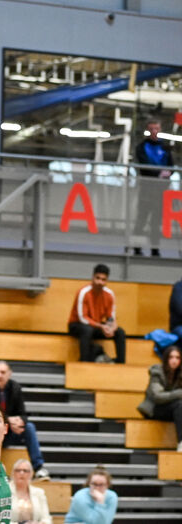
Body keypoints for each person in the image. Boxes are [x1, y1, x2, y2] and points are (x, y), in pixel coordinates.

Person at [0, 360, 50, 480]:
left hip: (10, 432)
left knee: (29, 427)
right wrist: (8, 421)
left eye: (2, 372)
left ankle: (39, 468)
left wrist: (19, 422)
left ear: (9, 374)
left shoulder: (15, 387)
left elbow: (23, 414)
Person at [132, 120, 175, 257]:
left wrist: (168, 173)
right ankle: (136, 248)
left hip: (160, 190)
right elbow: (143, 165)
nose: (154, 131)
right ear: (148, 130)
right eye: (151, 129)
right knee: (141, 220)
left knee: (156, 221)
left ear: (160, 129)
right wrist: (158, 173)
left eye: (156, 128)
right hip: (147, 188)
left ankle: (155, 249)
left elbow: (171, 166)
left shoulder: (164, 147)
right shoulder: (142, 147)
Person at [67, 264, 125, 364]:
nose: (100, 282)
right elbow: (82, 318)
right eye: (97, 278)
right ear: (93, 277)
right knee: (87, 330)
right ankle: (84, 362)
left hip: (96, 326)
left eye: (103, 279)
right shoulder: (83, 292)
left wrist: (112, 327)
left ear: (107, 281)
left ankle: (121, 363)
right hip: (77, 325)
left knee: (120, 332)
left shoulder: (109, 294)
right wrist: (101, 326)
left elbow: (111, 317)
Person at [137, 346, 182, 452]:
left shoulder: (180, 373)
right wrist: (178, 393)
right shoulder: (157, 372)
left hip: (173, 410)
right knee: (180, 404)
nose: (174, 361)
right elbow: (157, 397)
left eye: (177, 358)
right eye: (171, 357)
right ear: (166, 359)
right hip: (155, 409)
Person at [8, 459, 51, 524]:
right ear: (13, 473)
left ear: (31, 474)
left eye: (25, 471)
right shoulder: (6, 492)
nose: (21, 473)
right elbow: (2, 520)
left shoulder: (39, 493)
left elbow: (47, 519)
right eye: (18, 470)